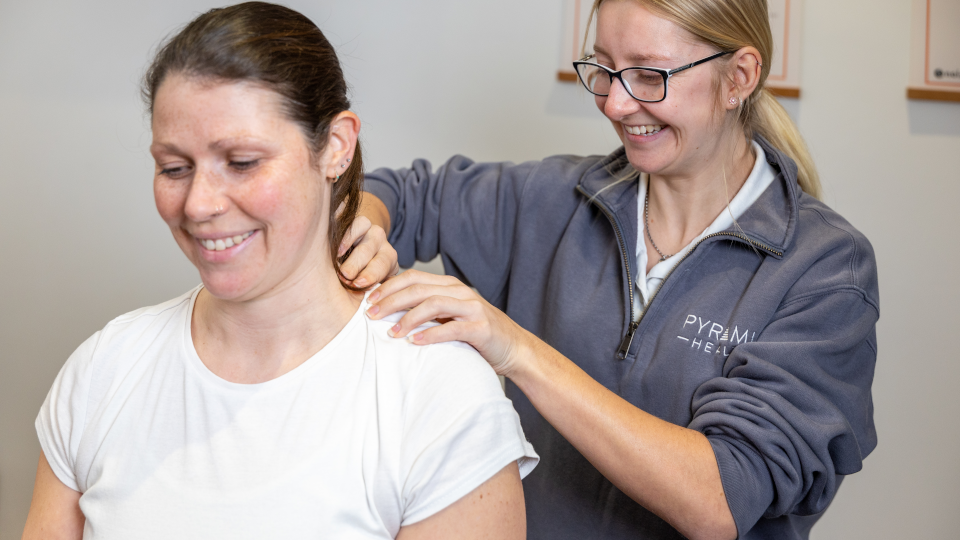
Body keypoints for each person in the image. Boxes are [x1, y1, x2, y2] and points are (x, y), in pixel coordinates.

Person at [343, 0, 880, 539]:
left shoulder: (825, 269)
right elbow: (404, 195)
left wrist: (518, 350)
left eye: (649, 76)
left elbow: (720, 497)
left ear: (739, 76)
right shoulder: (554, 200)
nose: (618, 104)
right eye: (604, 70)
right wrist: (364, 226)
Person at [21, 3, 538, 539]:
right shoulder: (104, 370)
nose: (198, 204)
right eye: (174, 168)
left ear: (335, 146)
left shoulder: (437, 397)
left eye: (242, 162)